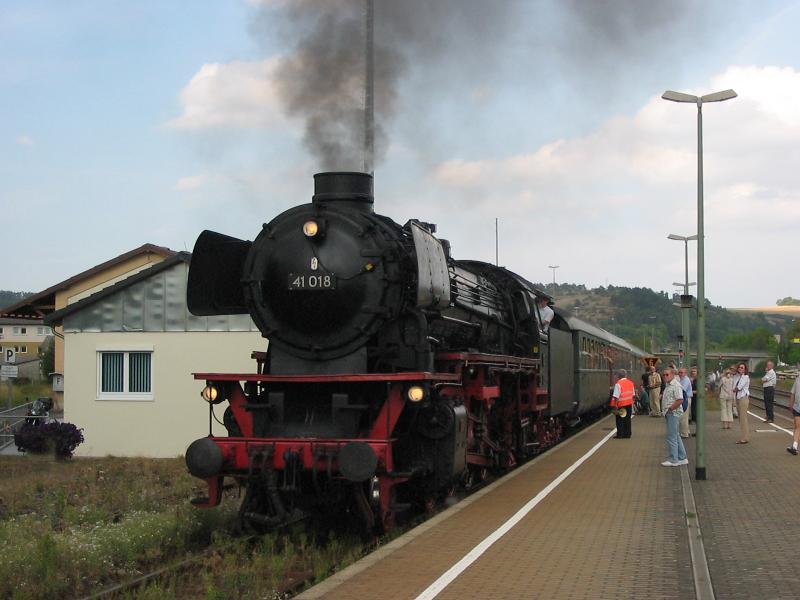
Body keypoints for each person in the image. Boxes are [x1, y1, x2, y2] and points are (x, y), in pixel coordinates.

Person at [660, 367, 688, 466]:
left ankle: (673, 459)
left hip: (673, 413)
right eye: (664, 375)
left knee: (671, 436)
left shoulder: (675, 385)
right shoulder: (668, 385)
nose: (665, 376)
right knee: (675, 435)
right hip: (670, 413)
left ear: (672, 375)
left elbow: (680, 399)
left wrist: (670, 409)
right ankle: (682, 457)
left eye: (667, 374)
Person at [610, 369, 635, 439]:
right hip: (629, 404)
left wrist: (615, 406)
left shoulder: (618, 384)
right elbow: (633, 394)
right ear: (625, 375)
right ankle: (628, 434)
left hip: (621, 405)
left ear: (618, 376)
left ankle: (620, 435)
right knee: (627, 419)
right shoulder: (631, 383)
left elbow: (616, 396)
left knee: (620, 420)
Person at [733, 363, 751, 444]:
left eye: (742, 368)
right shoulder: (737, 377)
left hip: (743, 398)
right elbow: (733, 384)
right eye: (739, 367)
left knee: (743, 419)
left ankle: (744, 438)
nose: (740, 369)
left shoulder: (745, 377)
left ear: (745, 369)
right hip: (738, 398)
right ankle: (744, 437)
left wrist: (734, 389)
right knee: (741, 419)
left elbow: (739, 387)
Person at [787, 373, 800, 455]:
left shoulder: (798, 379)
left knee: (797, 427)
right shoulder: (798, 378)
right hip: (797, 407)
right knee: (798, 427)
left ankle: (795, 447)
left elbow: (792, 393)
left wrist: (791, 405)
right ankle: (794, 447)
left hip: (797, 407)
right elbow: (793, 393)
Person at [678, 367, 693, 438]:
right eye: (679, 372)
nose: (680, 374)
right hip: (684, 399)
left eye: (682, 372)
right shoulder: (681, 379)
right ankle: (687, 431)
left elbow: (682, 389)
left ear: (685, 373)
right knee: (684, 416)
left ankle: (684, 433)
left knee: (683, 417)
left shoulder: (686, 380)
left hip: (686, 399)